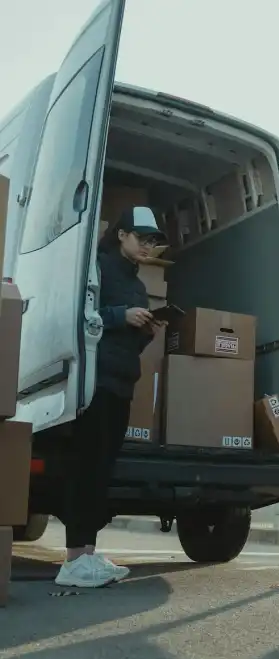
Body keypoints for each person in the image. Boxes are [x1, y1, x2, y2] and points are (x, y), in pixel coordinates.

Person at [55, 207, 168, 588]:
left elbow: (128, 342)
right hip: (95, 382)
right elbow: (78, 316)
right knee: (86, 466)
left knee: (103, 469)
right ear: (121, 234)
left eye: (153, 242)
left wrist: (146, 329)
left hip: (122, 383)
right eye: (142, 238)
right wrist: (122, 315)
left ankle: (87, 553)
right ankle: (72, 559)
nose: (147, 247)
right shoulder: (97, 268)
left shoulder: (138, 285)